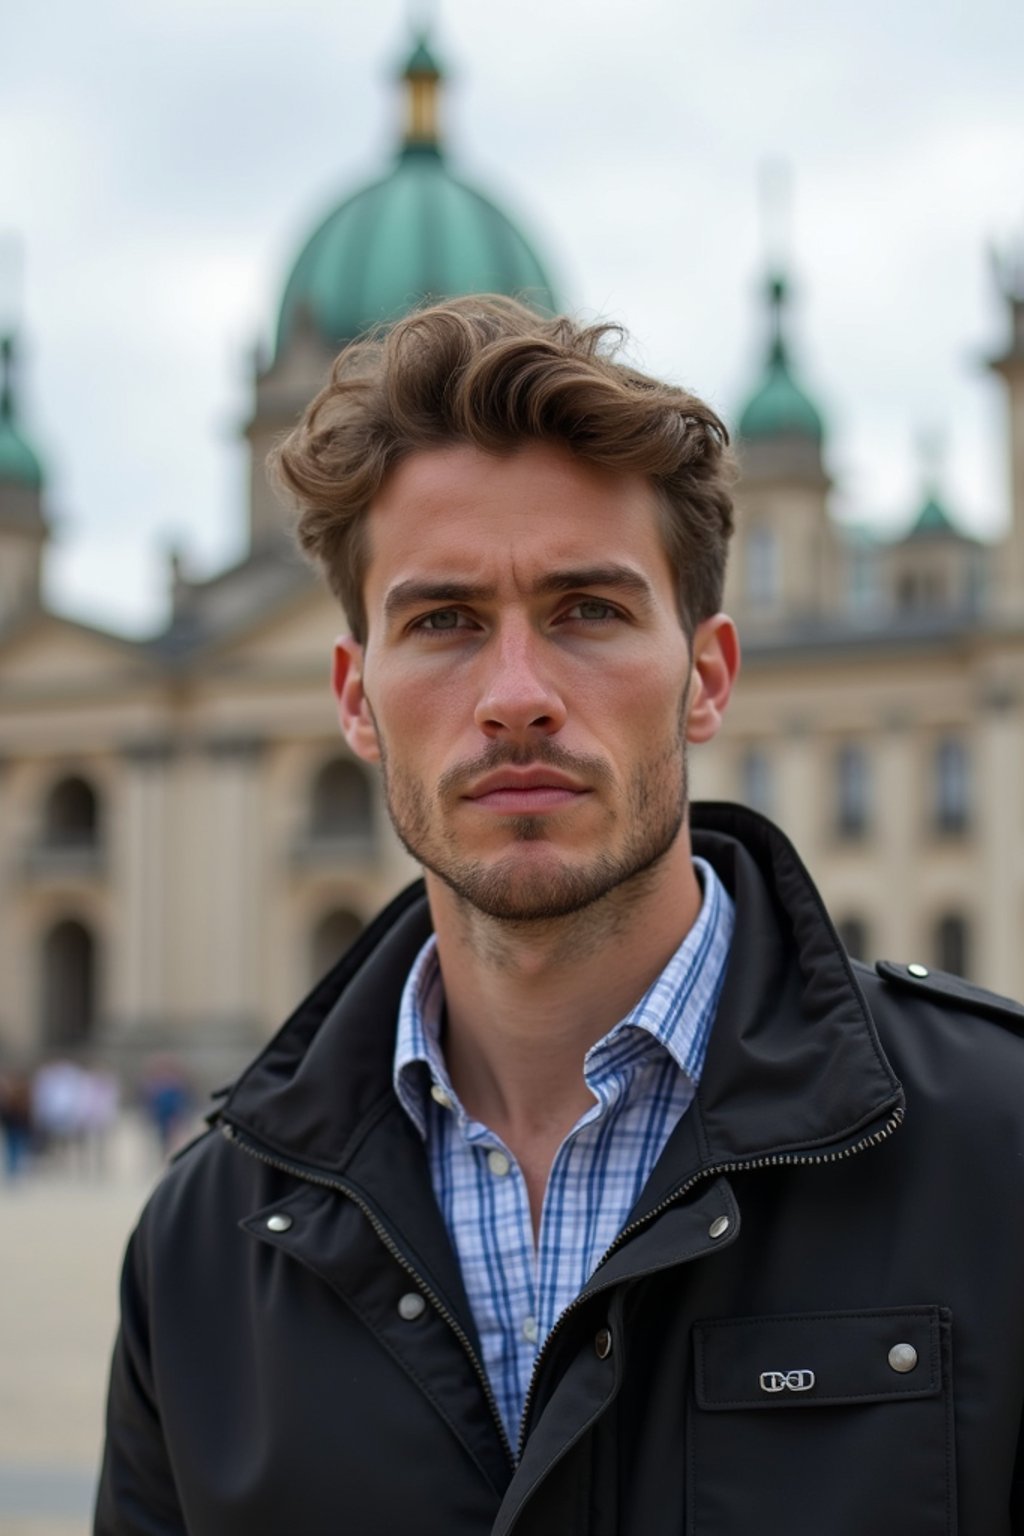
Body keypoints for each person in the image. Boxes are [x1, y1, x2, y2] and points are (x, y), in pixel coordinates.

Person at [96, 297, 1024, 1536]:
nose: (516, 698)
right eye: (443, 622)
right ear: (355, 699)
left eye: (588, 610)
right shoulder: (200, 1248)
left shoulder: (1004, 1151)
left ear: (706, 676)